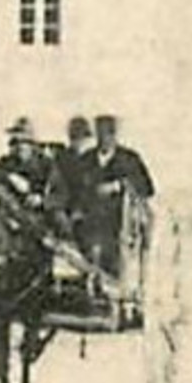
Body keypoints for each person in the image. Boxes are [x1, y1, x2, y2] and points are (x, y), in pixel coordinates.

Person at [78, 114, 155, 277]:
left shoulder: (129, 159)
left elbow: (147, 188)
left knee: (116, 265)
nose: (105, 139)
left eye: (109, 134)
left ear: (115, 136)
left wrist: (119, 186)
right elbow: (76, 189)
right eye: (101, 134)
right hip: (91, 223)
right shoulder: (86, 160)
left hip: (120, 224)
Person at [46, 115, 95, 244]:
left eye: (81, 138)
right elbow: (56, 186)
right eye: (74, 137)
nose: (78, 142)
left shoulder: (93, 160)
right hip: (66, 209)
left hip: (89, 212)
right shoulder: (63, 159)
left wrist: (81, 210)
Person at [0, 116, 51, 210]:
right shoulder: (6, 163)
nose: (19, 147)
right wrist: (11, 177)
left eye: (24, 142)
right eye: (15, 143)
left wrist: (41, 199)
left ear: (32, 145)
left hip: (40, 213)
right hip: (13, 211)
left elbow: (59, 191)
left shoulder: (45, 163)